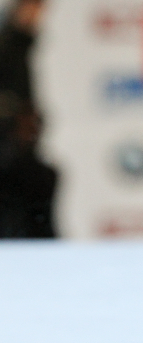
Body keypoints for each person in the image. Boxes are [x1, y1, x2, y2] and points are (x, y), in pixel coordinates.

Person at [0, 0, 57, 239]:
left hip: (18, 142)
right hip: (7, 143)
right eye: (33, 9)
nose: (38, 16)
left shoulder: (22, 43)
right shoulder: (7, 45)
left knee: (43, 178)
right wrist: (14, 116)